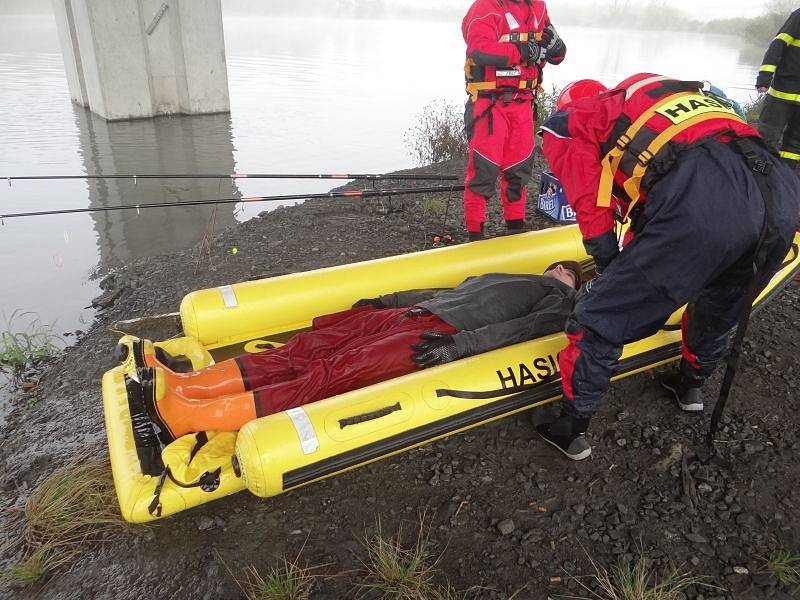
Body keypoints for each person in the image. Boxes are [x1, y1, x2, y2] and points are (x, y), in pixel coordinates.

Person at [536, 73, 800, 461]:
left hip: (704, 197)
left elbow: (591, 202)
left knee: (598, 316)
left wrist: (609, 266)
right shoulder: (653, 94)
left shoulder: (568, 123)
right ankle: (690, 387)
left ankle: (570, 428)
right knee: (722, 301)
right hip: (779, 194)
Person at [133, 263, 580, 444]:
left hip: (438, 334)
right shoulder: (505, 277)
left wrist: (458, 347)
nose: (561, 270)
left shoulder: (557, 301)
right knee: (307, 346)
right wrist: (387, 300)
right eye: (560, 266)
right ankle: (190, 386)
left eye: (569, 272)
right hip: (413, 313)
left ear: (572, 283)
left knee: (330, 373)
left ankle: (187, 419)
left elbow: (520, 329)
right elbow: (444, 289)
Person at [461, 0, 566, 241]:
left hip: (523, 103)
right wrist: (521, 52)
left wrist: (558, 48)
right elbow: (478, 49)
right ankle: (475, 234)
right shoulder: (484, 7)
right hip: (489, 104)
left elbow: (553, 52)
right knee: (483, 170)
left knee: (518, 168)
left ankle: (515, 227)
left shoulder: (538, 7)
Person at [755, 8, 800, 171]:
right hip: (782, 92)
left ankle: (785, 178)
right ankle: (759, 174)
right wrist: (764, 77)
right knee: (767, 137)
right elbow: (778, 45)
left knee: (794, 146)